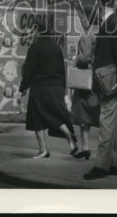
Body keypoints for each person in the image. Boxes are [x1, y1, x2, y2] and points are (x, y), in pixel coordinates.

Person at [84, 0, 117, 180]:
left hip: (111, 82)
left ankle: (101, 166)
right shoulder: (109, 22)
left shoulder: (112, 23)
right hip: (109, 80)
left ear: (101, 3)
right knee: (115, 124)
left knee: (106, 122)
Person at [19, 14, 77, 159]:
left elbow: (29, 70)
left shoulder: (35, 48)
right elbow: (62, 71)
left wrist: (23, 87)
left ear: (38, 31)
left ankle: (43, 149)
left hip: (40, 87)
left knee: (36, 117)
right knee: (55, 116)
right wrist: (64, 91)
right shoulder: (56, 48)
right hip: (56, 87)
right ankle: (69, 135)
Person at [70, 29, 97, 159]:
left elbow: (85, 58)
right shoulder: (95, 35)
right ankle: (85, 147)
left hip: (84, 82)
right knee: (86, 116)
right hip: (92, 79)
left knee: (83, 114)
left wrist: (76, 61)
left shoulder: (86, 36)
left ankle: (85, 147)